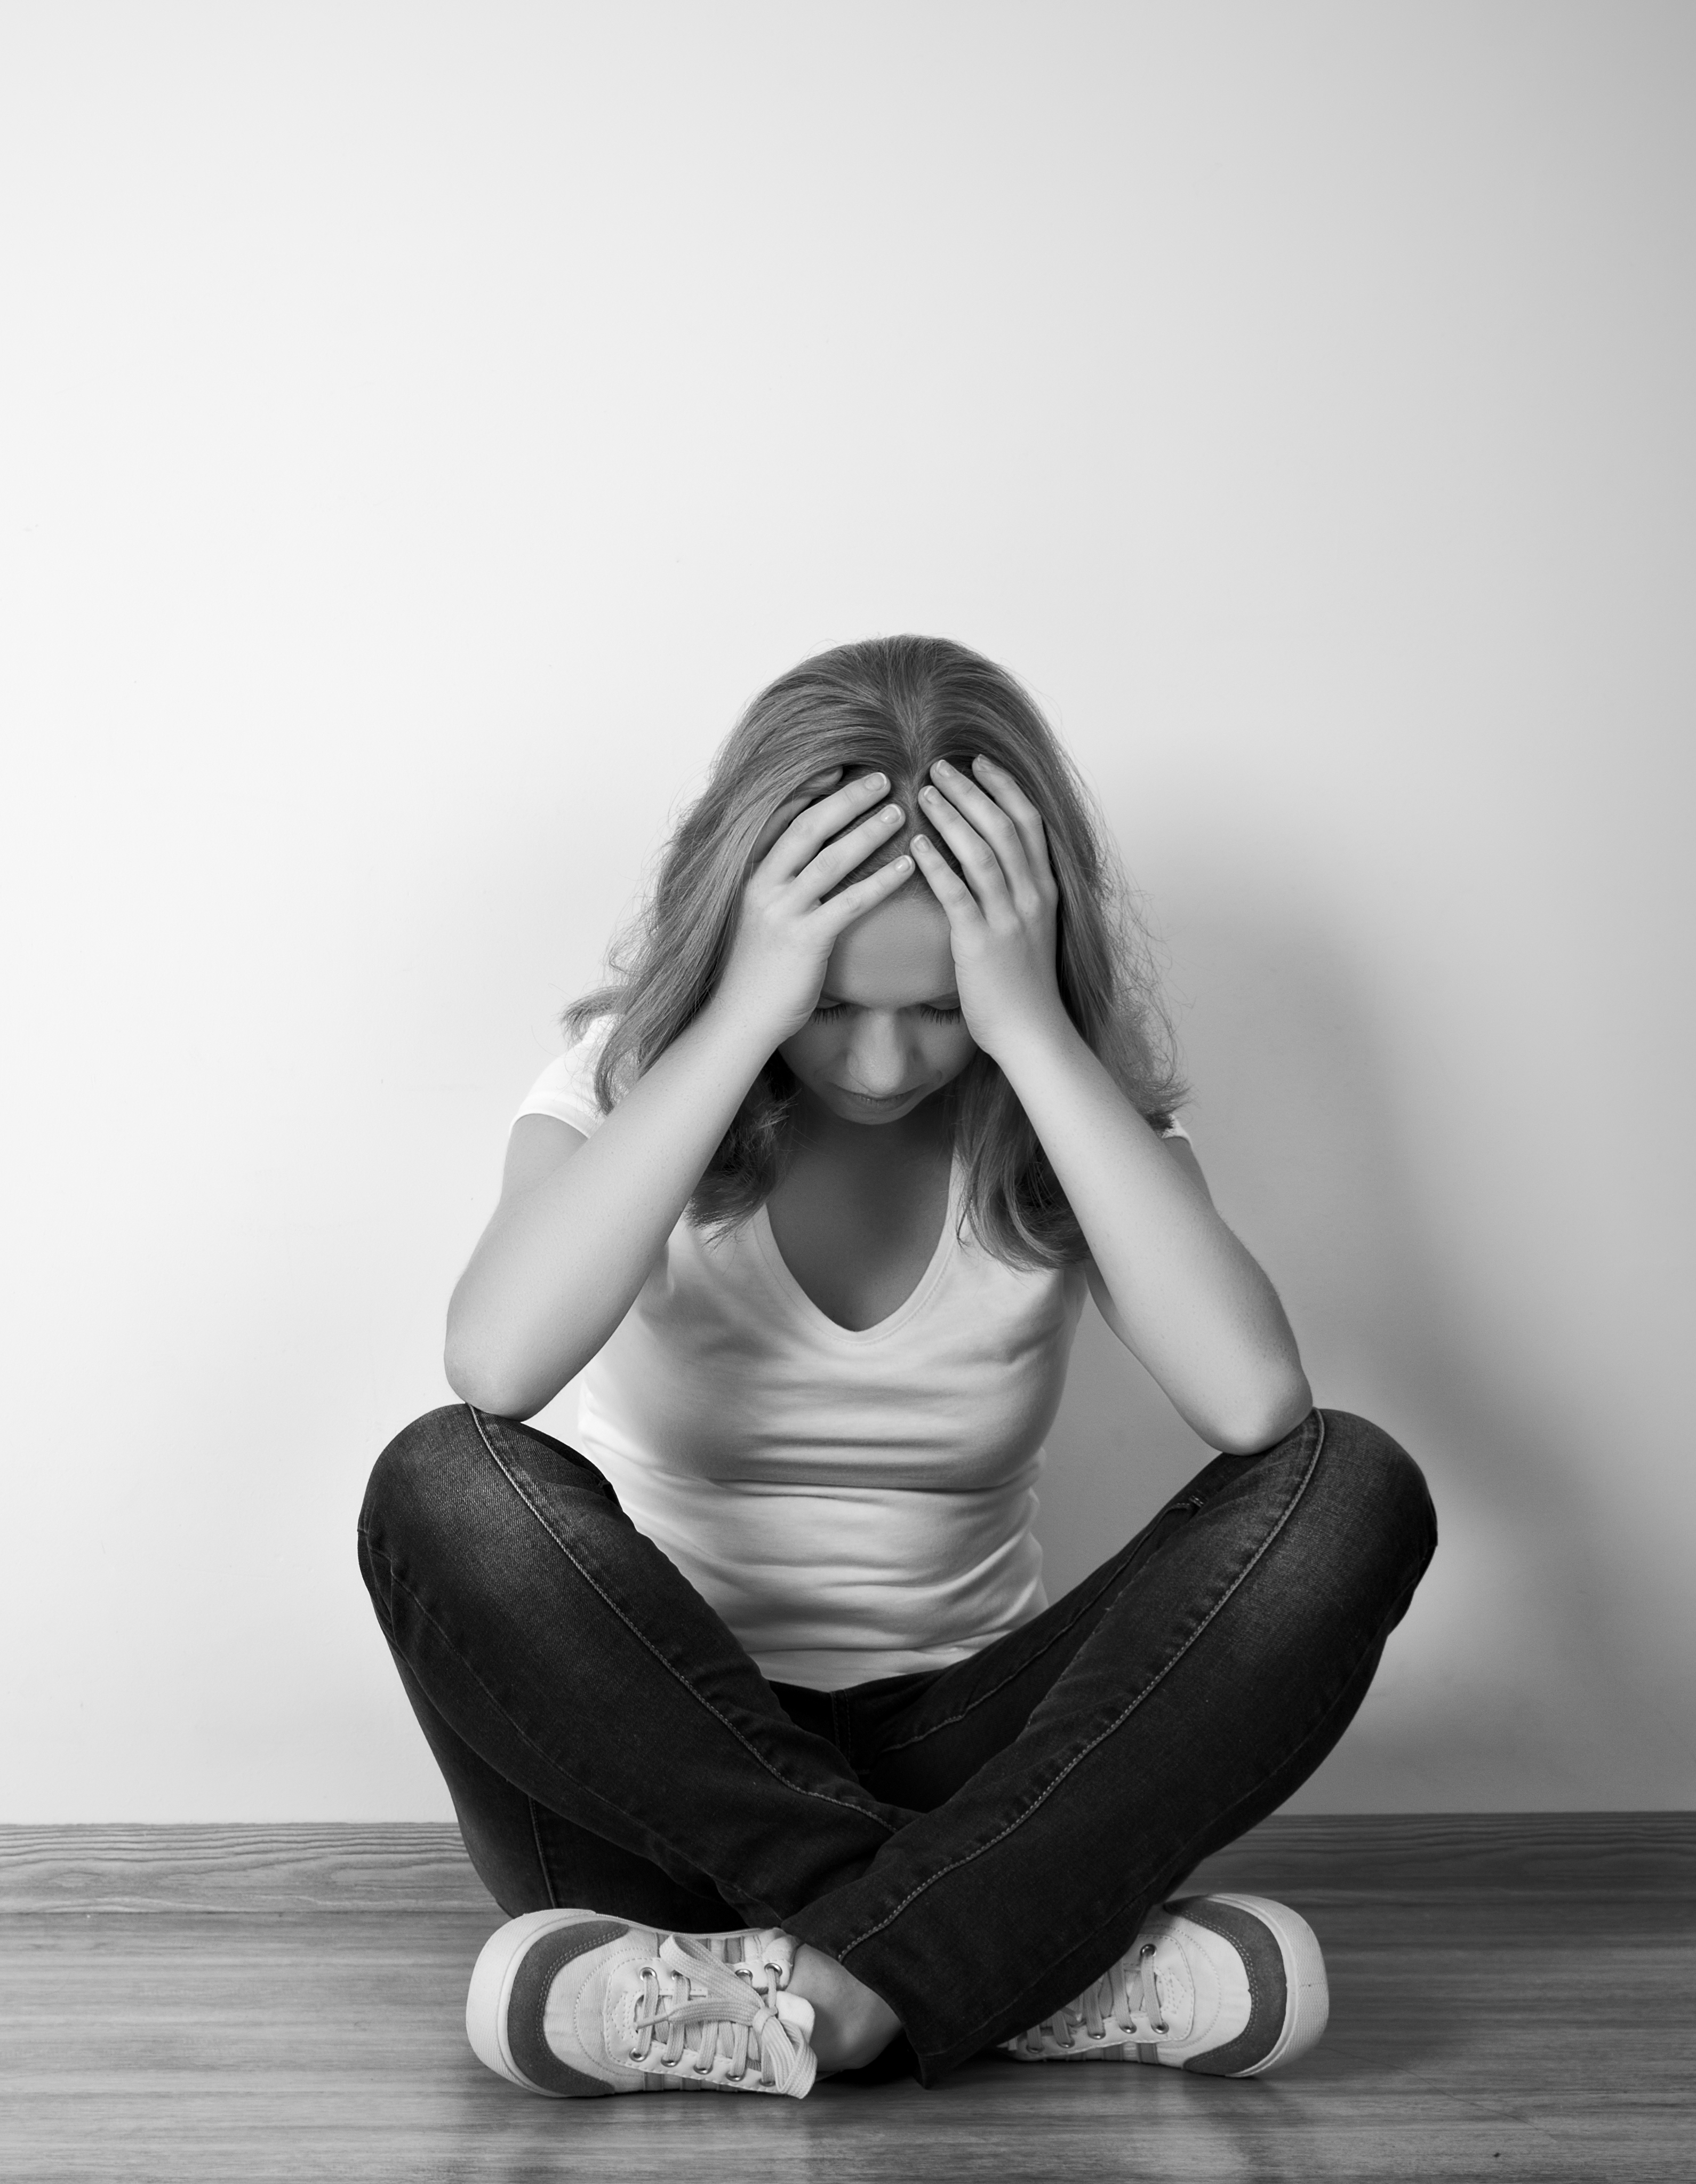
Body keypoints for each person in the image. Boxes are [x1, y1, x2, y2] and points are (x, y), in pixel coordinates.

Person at [357, 635, 1436, 2099]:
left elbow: (1257, 1409)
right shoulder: (624, 1094)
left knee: (1351, 1489)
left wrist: (1030, 1028)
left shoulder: (1063, 1120)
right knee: (441, 1483)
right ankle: (995, 1961)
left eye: (935, 1008)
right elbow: (493, 1365)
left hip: (966, 1760)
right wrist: (741, 1015)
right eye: (830, 1003)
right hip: (639, 1790)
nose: (877, 1065)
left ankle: (801, 1984)